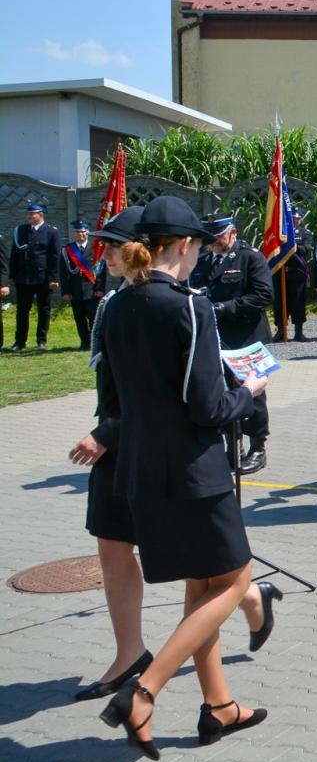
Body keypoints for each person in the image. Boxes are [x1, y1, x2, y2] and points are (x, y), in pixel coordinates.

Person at [67, 206, 282, 705]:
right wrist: (248, 392)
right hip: (183, 463)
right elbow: (200, 405)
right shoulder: (182, 305)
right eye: (201, 248)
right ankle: (148, 687)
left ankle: (217, 704)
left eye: (112, 245)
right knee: (224, 580)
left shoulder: (126, 306)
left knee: (206, 581)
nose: (106, 254)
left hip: (146, 459)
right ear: (184, 246)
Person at [192, 214, 273, 475]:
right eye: (211, 240)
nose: (214, 244)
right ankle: (232, 446)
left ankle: (257, 447)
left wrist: (226, 308)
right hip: (217, 338)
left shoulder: (250, 257)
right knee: (222, 391)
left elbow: (263, 295)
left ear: (233, 232)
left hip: (247, 337)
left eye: (219, 237)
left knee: (253, 393)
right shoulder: (203, 260)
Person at [10, 200, 61, 350]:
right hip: (24, 277)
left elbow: (54, 256)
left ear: (41, 215)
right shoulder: (21, 230)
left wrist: (53, 278)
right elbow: (15, 254)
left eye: (33, 214)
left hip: (43, 277)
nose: (29, 216)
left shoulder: (52, 231)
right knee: (22, 311)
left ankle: (41, 340)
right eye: (29, 214)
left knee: (44, 309)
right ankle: (19, 341)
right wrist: (12, 275)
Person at [270, 208, 310, 342]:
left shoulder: (305, 233)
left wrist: (292, 245)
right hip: (281, 273)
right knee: (280, 303)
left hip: (296, 273)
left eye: (297, 218)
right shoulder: (281, 234)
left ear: (301, 220)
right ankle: (281, 330)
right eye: (293, 218)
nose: (295, 220)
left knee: (298, 303)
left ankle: (299, 332)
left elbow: (305, 250)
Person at [61, 219, 98, 350]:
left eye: (83, 232)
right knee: (79, 318)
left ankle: (94, 342)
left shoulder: (94, 249)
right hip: (75, 290)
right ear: (74, 234)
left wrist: (99, 288)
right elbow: (63, 273)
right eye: (78, 232)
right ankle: (84, 342)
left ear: (88, 233)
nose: (81, 234)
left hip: (91, 289)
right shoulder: (67, 250)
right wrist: (65, 291)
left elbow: (101, 271)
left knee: (93, 317)